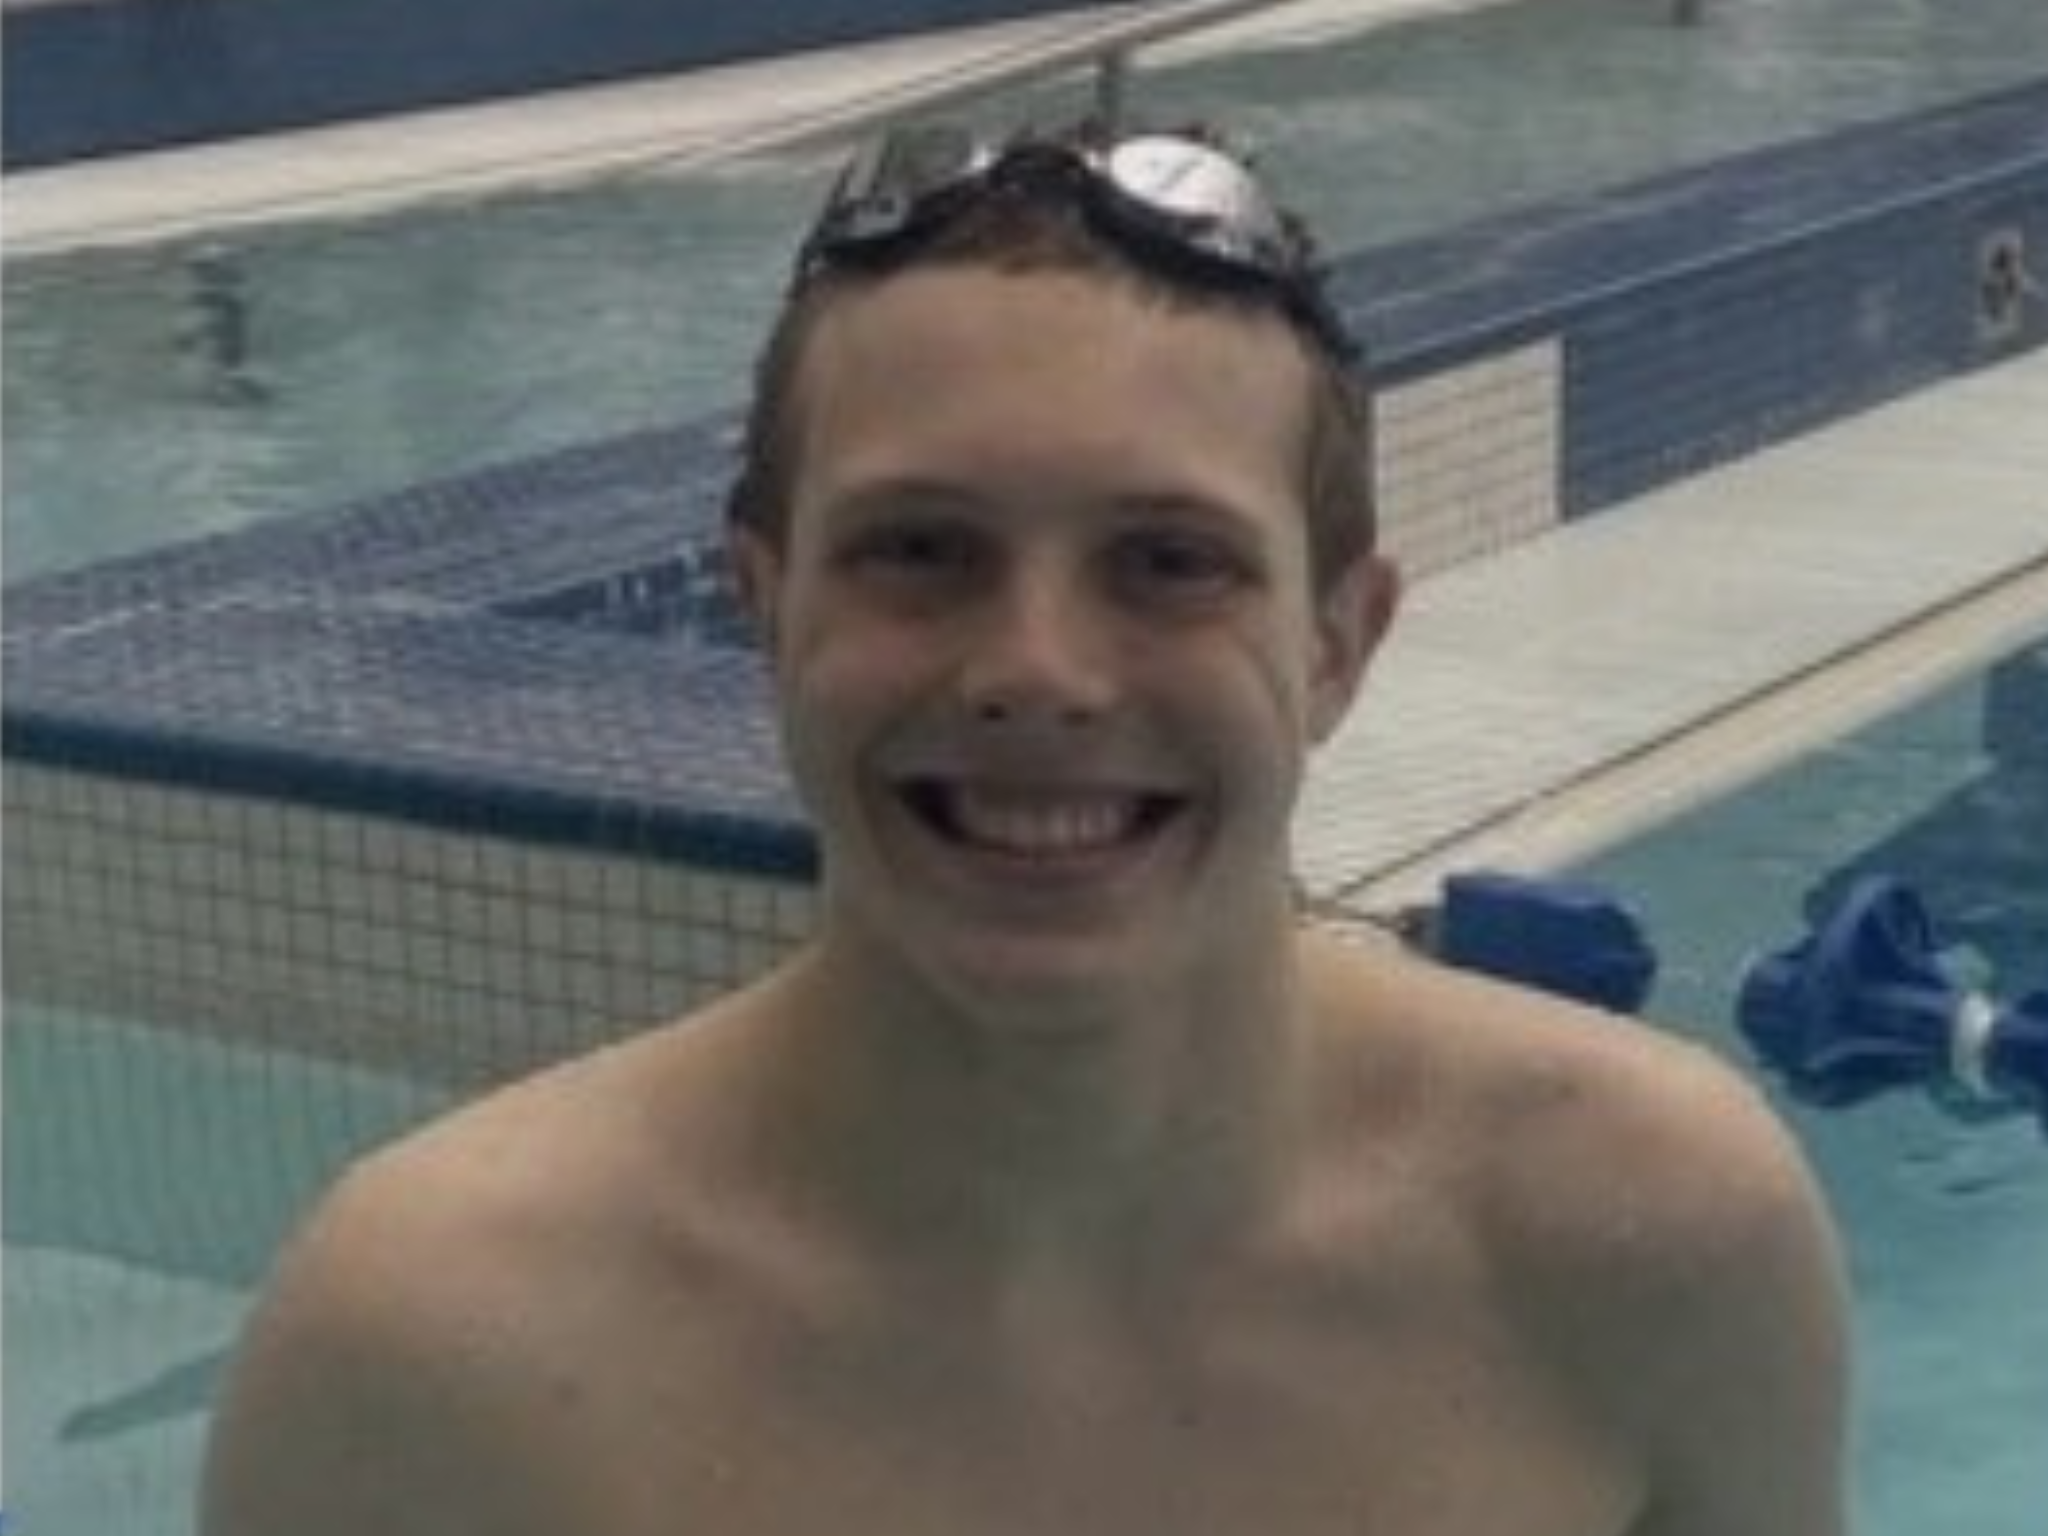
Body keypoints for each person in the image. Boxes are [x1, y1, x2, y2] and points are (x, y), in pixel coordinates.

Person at [201, 122, 1849, 1536]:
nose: (1036, 671)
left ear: (1339, 640)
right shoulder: (430, 1338)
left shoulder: (1652, 1239)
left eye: (1168, 562)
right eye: (921, 550)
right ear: (766, 608)